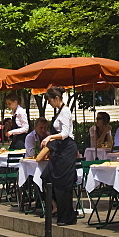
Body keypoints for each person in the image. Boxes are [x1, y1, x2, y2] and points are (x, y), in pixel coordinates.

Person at [40, 86, 77, 226]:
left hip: (66, 149)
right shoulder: (60, 111)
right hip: (61, 149)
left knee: (62, 183)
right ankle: (60, 210)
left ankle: (67, 215)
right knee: (49, 176)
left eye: (50, 101)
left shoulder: (65, 111)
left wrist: (49, 138)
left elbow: (65, 133)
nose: (50, 104)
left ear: (56, 99)